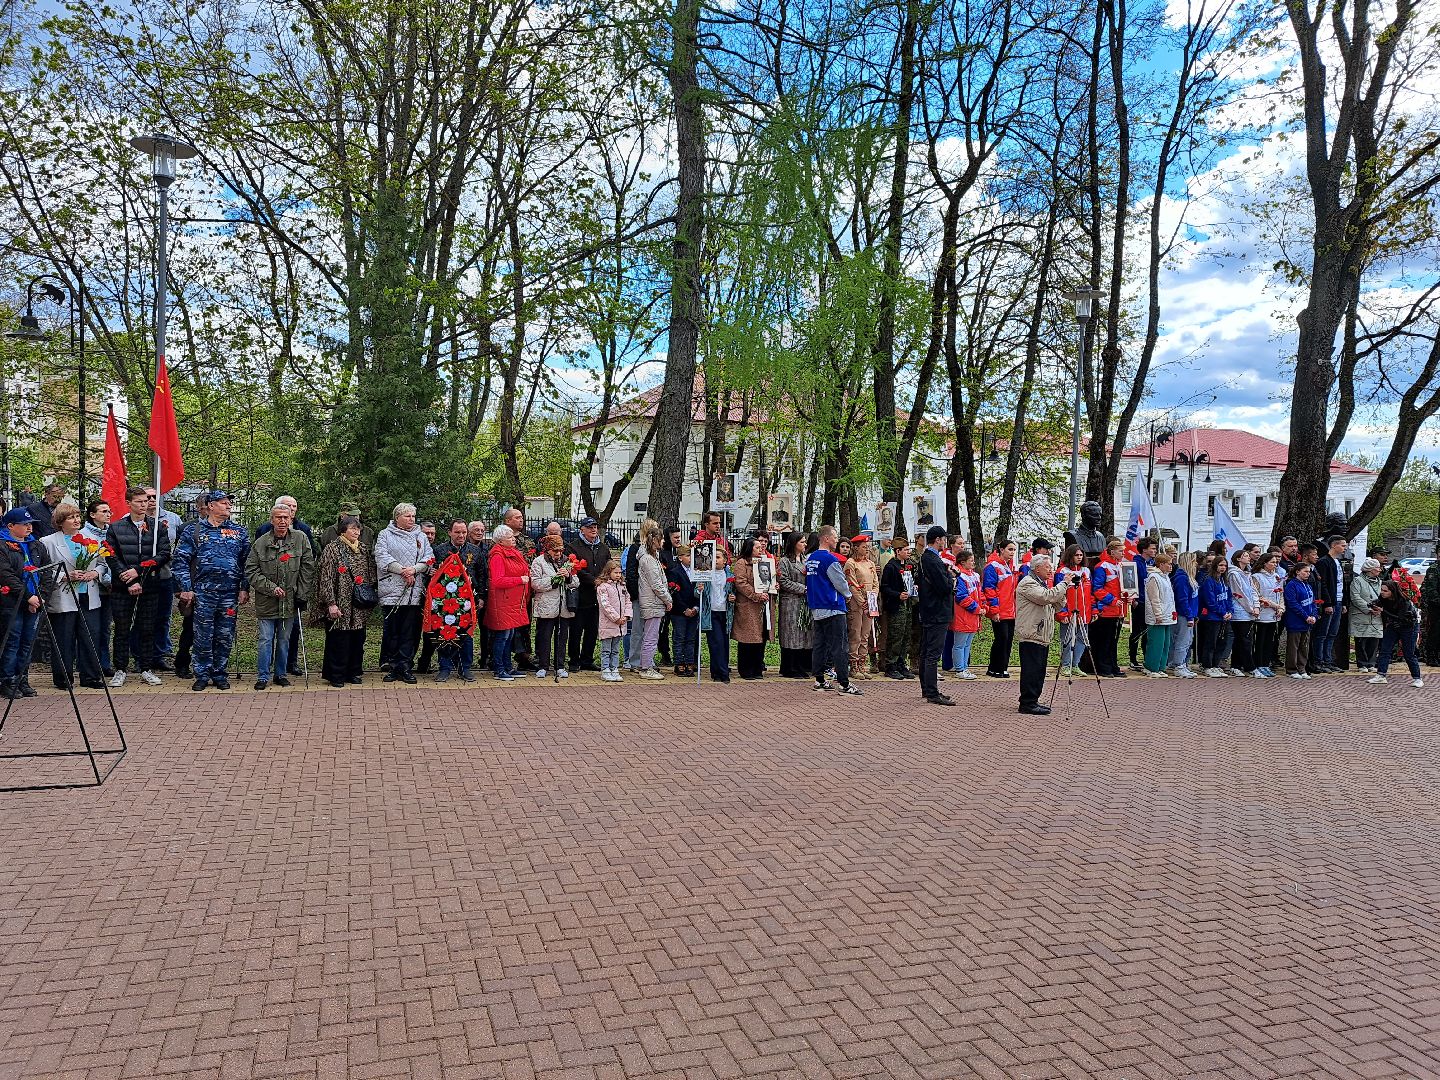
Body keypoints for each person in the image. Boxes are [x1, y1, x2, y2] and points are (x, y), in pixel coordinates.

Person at [172, 491, 249, 691]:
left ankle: (220, 673)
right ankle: (202, 674)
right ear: (211, 506)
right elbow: (180, 561)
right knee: (202, 635)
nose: (228, 506)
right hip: (203, 593)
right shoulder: (194, 531)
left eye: (229, 503)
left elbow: (247, 563)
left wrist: (244, 588)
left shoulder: (239, 532)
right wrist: (186, 589)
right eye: (224, 503)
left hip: (229, 594)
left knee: (224, 635)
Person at [106, 486, 173, 688]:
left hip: (149, 586)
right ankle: (120, 669)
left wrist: (138, 572)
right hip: (122, 586)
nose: (144, 504)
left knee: (147, 627)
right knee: (122, 628)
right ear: (129, 503)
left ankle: (145, 667)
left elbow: (163, 554)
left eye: (146, 501)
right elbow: (111, 555)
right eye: (139, 501)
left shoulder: (157, 527)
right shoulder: (116, 528)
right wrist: (128, 578)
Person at [245, 504, 317, 689]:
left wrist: (302, 594)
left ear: (291, 519)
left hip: (291, 601)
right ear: (272, 520)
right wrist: (271, 588)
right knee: (265, 639)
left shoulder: (300, 539)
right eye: (278, 517)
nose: (282, 521)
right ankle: (262, 676)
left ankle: (280, 674)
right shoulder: (261, 543)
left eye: (286, 517)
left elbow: (307, 567)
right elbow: (251, 571)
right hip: (267, 601)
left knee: (284, 640)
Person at [39, 504, 108, 690]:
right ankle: (63, 678)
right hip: (63, 595)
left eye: (78, 516)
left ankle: (91, 677)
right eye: (71, 517)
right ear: (60, 522)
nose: (76, 520)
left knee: (90, 636)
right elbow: (45, 571)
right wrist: (64, 576)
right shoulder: (48, 542)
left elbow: (102, 564)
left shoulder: (92, 539)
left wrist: (95, 573)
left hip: (88, 594)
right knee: (64, 637)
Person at [418, 520, 486, 675]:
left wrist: (481, 596)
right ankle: (445, 667)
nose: (461, 535)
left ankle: (465, 668)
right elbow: (430, 575)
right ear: (449, 532)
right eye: (457, 532)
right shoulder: (439, 550)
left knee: (466, 634)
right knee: (444, 633)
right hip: (444, 602)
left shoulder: (475, 551)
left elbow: (482, 575)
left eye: (463, 532)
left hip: (468, 601)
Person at [375, 502, 432, 684]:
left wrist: (414, 570)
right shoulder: (385, 534)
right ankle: (393, 667)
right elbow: (382, 557)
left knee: (410, 632)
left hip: (413, 591)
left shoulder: (421, 536)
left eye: (413, 516)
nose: (412, 519)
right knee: (393, 631)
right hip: (393, 590)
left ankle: (405, 666)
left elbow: (429, 558)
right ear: (397, 517)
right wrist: (402, 571)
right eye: (408, 516)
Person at [316, 515, 375, 688]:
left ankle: (354, 672)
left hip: (358, 602)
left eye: (358, 529)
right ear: (343, 530)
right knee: (338, 639)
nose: (356, 532)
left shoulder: (363, 548)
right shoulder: (332, 549)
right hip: (340, 600)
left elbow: (371, 573)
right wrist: (330, 603)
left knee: (358, 638)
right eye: (352, 529)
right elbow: (325, 578)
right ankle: (336, 674)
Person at [806, 526, 861, 695]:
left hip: (817, 606)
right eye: (835, 537)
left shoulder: (810, 558)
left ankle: (819, 680)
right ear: (826, 539)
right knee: (840, 646)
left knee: (820, 645)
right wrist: (847, 594)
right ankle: (844, 684)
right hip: (833, 606)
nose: (837, 540)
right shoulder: (830, 560)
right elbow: (840, 583)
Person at [1015, 553, 1068, 713]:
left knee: (1039, 670)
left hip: (1041, 634)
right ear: (1037, 569)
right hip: (1031, 633)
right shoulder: (1027, 583)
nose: (1051, 570)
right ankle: (1027, 703)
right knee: (1031, 670)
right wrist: (1064, 584)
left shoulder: (1041, 584)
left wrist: (1061, 592)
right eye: (1047, 567)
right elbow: (1046, 598)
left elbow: (1056, 605)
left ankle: (1033, 700)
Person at [485, 525, 531, 681]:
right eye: (510, 537)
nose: (514, 539)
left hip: (512, 600)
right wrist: (519, 580)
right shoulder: (497, 555)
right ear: (501, 540)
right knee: (502, 636)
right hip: (502, 601)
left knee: (509, 635)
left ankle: (508, 667)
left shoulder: (512, 552)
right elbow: (498, 581)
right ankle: (499, 669)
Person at [566, 516, 611, 672]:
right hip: (580, 595)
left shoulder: (603, 548)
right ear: (582, 529)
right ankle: (574, 660)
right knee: (576, 631)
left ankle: (587, 659)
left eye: (595, 527)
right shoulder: (573, 547)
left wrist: (604, 580)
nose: (593, 529)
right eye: (589, 527)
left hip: (597, 597)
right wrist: (595, 581)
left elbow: (609, 567)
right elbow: (576, 570)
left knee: (592, 631)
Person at [530, 533, 578, 678]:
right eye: (555, 550)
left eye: (560, 550)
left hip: (563, 606)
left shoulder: (567, 561)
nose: (558, 553)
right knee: (544, 637)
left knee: (562, 637)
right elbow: (535, 583)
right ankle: (543, 665)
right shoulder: (539, 562)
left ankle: (560, 666)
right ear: (547, 549)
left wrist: (568, 577)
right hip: (546, 605)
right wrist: (554, 579)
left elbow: (576, 583)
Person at [917, 525, 955, 706]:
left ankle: (927, 688)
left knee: (926, 651)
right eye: (944, 539)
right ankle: (932, 692)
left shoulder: (927, 558)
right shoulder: (932, 559)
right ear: (938, 539)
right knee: (932, 653)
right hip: (937, 611)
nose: (945, 542)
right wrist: (951, 577)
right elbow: (944, 587)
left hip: (930, 610)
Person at [1367, 579, 1424, 688]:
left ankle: (1417, 678)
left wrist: (1383, 611)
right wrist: (1373, 605)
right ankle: (1381, 675)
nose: (1382, 592)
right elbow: (1377, 604)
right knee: (1385, 650)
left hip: (1408, 627)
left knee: (1409, 653)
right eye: (1381, 590)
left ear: (1392, 591)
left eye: (1385, 591)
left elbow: (1400, 617)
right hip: (1393, 626)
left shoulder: (1404, 601)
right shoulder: (1382, 598)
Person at [81, 500, 114, 678]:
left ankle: (104, 663)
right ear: (93, 515)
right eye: (103, 511)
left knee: (105, 628)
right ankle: (89, 664)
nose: (108, 514)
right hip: (91, 587)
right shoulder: (84, 535)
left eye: (109, 511)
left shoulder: (112, 532)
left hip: (109, 587)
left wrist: (110, 580)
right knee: (91, 628)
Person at [635, 525, 672, 680]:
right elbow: (656, 584)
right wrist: (668, 599)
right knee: (651, 636)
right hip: (652, 602)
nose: (663, 541)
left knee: (651, 635)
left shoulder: (653, 557)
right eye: (661, 539)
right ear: (655, 540)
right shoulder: (649, 560)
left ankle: (646, 663)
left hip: (653, 602)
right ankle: (646, 667)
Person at [730, 537, 769, 680]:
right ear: (749, 548)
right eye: (757, 547)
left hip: (762, 606)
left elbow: (768, 578)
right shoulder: (742, 563)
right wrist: (756, 595)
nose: (761, 549)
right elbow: (740, 583)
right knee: (747, 638)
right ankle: (746, 670)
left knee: (760, 637)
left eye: (761, 547)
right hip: (747, 605)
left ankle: (757, 668)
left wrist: (773, 586)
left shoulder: (764, 561)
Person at [622, 518, 658, 671]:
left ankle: (648, 659)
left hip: (653, 594)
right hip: (639, 594)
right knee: (637, 629)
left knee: (650, 631)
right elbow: (631, 573)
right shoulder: (635, 548)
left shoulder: (655, 550)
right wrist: (634, 594)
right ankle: (635, 660)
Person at [1089, 538, 1127, 678]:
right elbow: (1097, 589)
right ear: (1112, 552)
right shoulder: (1102, 566)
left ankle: (1113, 666)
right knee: (1105, 641)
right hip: (1107, 610)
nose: (1123, 553)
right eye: (1120, 551)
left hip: (1119, 609)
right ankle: (1104, 667)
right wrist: (1112, 600)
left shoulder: (1121, 566)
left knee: (1114, 641)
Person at [879, 538, 917, 680]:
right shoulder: (891, 567)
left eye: (909, 550)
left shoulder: (908, 566)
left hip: (908, 605)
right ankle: (891, 665)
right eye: (905, 550)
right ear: (898, 551)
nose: (908, 552)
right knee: (896, 636)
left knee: (906, 636)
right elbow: (885, 587)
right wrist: (897, 595)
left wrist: (914, 589)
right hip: (896, 606)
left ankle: (901, 664)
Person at [776, 531, 811, 679]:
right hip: (790, 601)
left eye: (805, 542)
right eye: (802, 542)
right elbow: (783, 581)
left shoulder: (805, 560)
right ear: (794, 543)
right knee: (791, 634)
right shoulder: (785, 561)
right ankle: (789, 667)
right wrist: (803, 589)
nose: (805, 544)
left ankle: (800, 666)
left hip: (804, 602)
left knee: (802, 634)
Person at [981, 539, 1018, 677]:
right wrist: (994, 610)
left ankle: (1003, 667)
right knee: (1001, 638)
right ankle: (994, 667)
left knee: (1008, 640)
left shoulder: (1009, 566)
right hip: (1000, 610)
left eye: (1014, 550)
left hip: (1010, 610)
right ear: (1001, 550)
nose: (1012, 552)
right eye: (1010, 549)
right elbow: (990, 589)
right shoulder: (992, 566)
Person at [1311, 534, 1348, 673]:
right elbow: (1324, 584)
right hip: (1330, 602)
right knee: (1322, 633)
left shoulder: (1338, 562)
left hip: (1338, 601)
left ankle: (1328, 660)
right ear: (1334, 545)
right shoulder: (1324, 562)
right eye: (1343, 545)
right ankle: (1318, 661)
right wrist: (1327, 603)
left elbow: (1341, 584)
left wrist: (1343, 602)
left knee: (1332, 632)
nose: (1345, 548)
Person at [1055, 544, 1092, 677]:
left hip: (1084, 612)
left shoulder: (1086, 571)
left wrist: (1093, 610)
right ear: (1070, 555)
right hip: (1069, 611)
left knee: (1082, 639)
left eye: (1081, 555)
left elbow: (1090, 593)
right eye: (1077, 555)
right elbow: (1059, 594)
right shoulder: (1062, 571)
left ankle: (1075, 664)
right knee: (1067, 638)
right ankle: (1065, 665)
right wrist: (1062, 612)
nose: (1079, 557)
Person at [844, 536, 878, 678]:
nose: (867, 548)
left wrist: (873, 598)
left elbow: (876, 582)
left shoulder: (870, 563)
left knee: (865, 634)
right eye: (864, 546)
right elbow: (851, 584)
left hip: (870, 603)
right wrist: (862, 601)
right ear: (856, 547)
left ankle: (862, 665)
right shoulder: (850, 563)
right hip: (856, 605)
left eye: (868, 546)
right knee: (855, 634)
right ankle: (853, 666)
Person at [1226, 547, 1262, 676]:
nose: (1248, 557)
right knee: (1244, 639)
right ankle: (1250, 667)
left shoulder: (1247, 574)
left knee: (1243, 639)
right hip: (1240, 611)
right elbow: (1238, 593)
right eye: (1245, 555)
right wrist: (1250, 608)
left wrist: (1256, 606)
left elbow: (1253, 591)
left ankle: (1236, 665)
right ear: (1238, 559)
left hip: (1250, 611)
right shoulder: (1234, 574)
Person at [1196, 555, 1234, 678]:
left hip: (1224, 617)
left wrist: (1229, 611)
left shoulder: (1224, 580)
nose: (1223, 568)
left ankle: (1215, 665)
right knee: (1210, 642)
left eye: (1225, 566)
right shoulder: (1209, 580)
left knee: (1221, 642)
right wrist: (1222, 612)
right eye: (1220, 565)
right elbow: (1210, 601)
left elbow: (1229, 598)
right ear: (1215, 566)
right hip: (1212, 617)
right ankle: (1207, 665)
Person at [1143, 551, 1178, 677]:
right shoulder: (1154, 577)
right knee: (1156, 643)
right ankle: (1151, 667)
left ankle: (1160, 667)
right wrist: (1158, 614)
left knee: (1165, 643)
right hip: (1158, 615)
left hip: (1167, 613)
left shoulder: (1166, 577)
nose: (1171, 566)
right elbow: (1154, 598)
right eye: (1168, 564)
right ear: (1161, 564)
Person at [1251, 551, 1285, 677]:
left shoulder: (1276, 576)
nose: (1275, 564)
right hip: (1263, 613)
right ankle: (1258, 664)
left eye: (1276, 562)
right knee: (1260, 640)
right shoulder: (1257, 577)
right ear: (1265, 563)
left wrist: (1281, 607)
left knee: (1270, 641)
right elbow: (1257, 595)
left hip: (1274, 614)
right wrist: (1274, 605)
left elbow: (1280, 593)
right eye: (1272, 562)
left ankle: (1266, 663)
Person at [668, 543, 700, 676]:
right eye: (687, 555)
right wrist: (684, 609)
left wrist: (695, 608)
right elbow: (674, 593)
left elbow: (699, 590)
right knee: (679, 637)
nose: (690, 558)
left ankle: (689, 662)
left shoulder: (697, 571)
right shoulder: (674, 572)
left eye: (692, 555)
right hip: (679, 612)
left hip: (693, 610)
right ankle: (679, 663)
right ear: (680, 557)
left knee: (691, 638)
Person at [950, 549, 982, 681]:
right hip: (963, 615)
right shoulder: (960, 576)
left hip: (972, 616)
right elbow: (961, 597)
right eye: (971, 560)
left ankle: (964, 666)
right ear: (962, 562)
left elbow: (980, 594)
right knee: (959, 644)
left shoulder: (974, 575)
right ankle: (959, 668)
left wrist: (982, 607)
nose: (973, 562)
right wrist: (977, 608)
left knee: (967, 644)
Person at [596, 562, 631, 682]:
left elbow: (628, 601)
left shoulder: (622, 586)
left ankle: (614, 668)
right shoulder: (603, 587)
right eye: (615, 572)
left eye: (620, 573)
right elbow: (605, 605)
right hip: (608, 624)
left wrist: (626, 615)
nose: (618, 575)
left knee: (615, 649)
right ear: (608, 572)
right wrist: (616, 618)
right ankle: (605, 669)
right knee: (606, 649)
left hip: (620, 625)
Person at [701, 547, 732, 683]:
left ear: (725, 560)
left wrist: (733, 597)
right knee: (716, 642)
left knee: (724, 643)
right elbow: (698, 593)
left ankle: (717, 670)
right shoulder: (706, 574)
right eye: (713, 557)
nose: (715, 560)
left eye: (718, 557)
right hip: (712, 611)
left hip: (725, 612)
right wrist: (699, 589)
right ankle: (723, 673)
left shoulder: (729, 574)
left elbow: (733, 591)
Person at [1283, 562, 1319, 678]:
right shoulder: (1291, 585)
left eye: (1309, 572)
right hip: (1296, 620)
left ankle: (1302, 668)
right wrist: (1305, 616)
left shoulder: (1308, 586)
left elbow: (1313, 602)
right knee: (1294, 646)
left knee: (1304, 646)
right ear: (1297, 572)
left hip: (1307, 621)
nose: (1308, 574)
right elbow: (1293, 603)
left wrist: (1313, 615)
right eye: (1305, 571)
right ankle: (1291, 669)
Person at [1349, 557, 1384, 673]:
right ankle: (1362, 664)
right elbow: (1355, 597)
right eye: (1377, 568)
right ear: (1370, 570)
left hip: (1376, 615)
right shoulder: (1358, 581)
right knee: (1361, 640)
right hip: (1361, 615)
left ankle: (1371, 663)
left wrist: (1379, 607)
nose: (1379, 570)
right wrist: (1368, 608)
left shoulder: (1379, 581)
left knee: (1374, 640)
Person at [1128, 537, 1157, 671]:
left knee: (1148, 631)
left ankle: (1147, 657)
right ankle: (1132, 659)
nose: (1155, 551)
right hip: (1139, 601)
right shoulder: (1136, 562)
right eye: (1152, 548)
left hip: (1151, 601)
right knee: (1137, 631)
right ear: (1144, 549)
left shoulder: (1153, 563)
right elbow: (1131, 581)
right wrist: (1133, 599)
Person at [1422, 557, 1440, 668]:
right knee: (1435, 632)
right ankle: (1432, 657)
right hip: (1436, 607)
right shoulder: (1434, 569)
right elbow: (1431, 590)